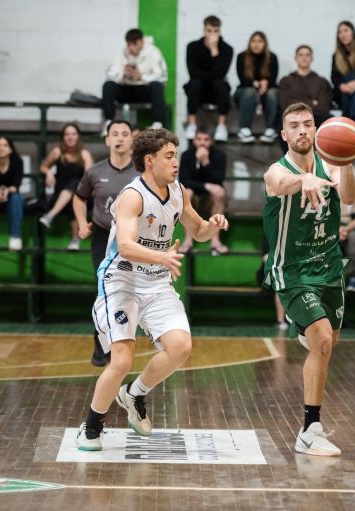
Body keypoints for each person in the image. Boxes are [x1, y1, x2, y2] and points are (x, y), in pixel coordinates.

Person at [76, 127, 229, 450]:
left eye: (176, 155)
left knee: (180, 347)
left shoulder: (177, 190)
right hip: (121, 281)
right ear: (150, 161)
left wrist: (212, 225)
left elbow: (197, 229)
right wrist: (162, 256)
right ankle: (92, 425)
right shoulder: (132, 196)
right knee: (120, 361)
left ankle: (134, 395)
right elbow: (126, 245)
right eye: (169, 156)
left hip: (155, 282)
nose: (176, 162)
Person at [263, 102, 355, 456]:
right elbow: (279, 183)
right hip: (293, 272)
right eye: (294, 126)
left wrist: (347, 162)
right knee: (321, 341)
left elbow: (349, 197)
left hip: (330, 268)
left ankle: (310, 332)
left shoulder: (330, 162)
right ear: (284, 134)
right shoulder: (277, 170)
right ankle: (309, 429)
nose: (302, 130)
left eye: (308, 124)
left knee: (328, 342)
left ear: (316, 129)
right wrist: (302, 179)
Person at [73, 120, 139, 367]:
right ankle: (101, 345)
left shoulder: (141, 173)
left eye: (125, 134)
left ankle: (124, 342)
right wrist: (81, 223)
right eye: (115, 134)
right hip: (103, 236)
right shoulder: (95, 172)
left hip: (132, 238)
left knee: (130, 290)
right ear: (108, 140)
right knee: (105, 288)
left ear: (132, 139)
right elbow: (79, 198)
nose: (120, 138)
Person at [39, 123, 94, 250]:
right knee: (72, 198)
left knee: (76, 187)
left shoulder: (84, 154)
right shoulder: (57, 151)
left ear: (78, 136)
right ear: (63, 137)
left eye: (73, 134)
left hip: (83, 197)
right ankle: (75, 240)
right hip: (59, 197)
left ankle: (50, 216)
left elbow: (90, 175)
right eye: (67, 134)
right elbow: (43, 166)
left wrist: (87, 169)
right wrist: (48, 173)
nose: (70, 137)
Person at [102, 28, 167, 134]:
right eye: (129, 44)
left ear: (141, 41)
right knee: (108, 85)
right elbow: (109, 74)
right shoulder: (121, 53)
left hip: (143, 90)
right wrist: (122, 75)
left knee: (157, 86)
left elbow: (161, 76)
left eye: (134, 44)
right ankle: (109, 122)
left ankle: (157, 123)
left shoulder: (154, 52)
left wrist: (142, 77)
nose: (131, 48)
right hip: (125, 89)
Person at [178, 129, 228, 254]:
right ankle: (188, 240)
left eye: (206, 140)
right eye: (199, 139)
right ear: (194, 140)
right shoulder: (186, 155)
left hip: (209, 201)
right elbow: (184, 181)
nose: (202, 143)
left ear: (211, 142)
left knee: (220, 192)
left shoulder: (219, 156)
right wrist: (206, 186)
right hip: (193, 199)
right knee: (186, 192)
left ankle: (215, 240)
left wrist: (205, 162)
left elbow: (218, 180)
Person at [183, 15, 233, 142]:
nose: (212, 34)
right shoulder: (193, 47)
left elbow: (221, 74)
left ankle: (221, 125)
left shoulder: (227, 49)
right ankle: (192, 124)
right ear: (204, 30)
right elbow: (193, 72)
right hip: (199, 88)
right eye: (209, 31)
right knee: (194, 83)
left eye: (215, 31)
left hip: (216, 90)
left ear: (219, 31)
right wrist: (212, 74)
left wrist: (214, 50)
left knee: (221, 84)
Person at [234, 31, 279, 144]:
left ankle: (270, 130)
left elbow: (274, 80)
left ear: (265, 43)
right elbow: (242, 80)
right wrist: (253, 83)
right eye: (253, 41)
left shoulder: (272, 57)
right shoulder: (241, 56)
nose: (256, 44)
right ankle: (245, 129)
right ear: (250, 43)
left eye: (260, 41)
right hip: (244, 91)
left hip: (265, 93)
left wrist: (266, 82)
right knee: (250, 92)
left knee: (273, 92)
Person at [279, 45, 333, 128]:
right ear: (295, 58)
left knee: (330, 119)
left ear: (312, 58)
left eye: (307, 55)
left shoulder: (322, 82)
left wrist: (297, 102)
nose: (304, 58)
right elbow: (285, 105)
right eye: (300, 55)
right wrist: (312, 103)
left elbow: (324, 107)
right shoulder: (286, 81)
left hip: (316, 120)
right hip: (293, 120)